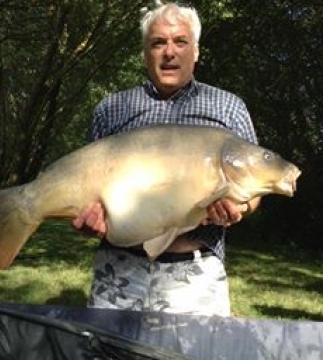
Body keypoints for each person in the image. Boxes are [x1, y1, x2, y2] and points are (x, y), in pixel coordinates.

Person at [73, 1, 260, 316]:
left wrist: (238, 208)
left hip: (197, 273)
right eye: (158, 42)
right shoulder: (111, 109)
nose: (169, 51)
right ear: (145, 53)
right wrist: (88, 219)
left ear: (196, 51)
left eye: (180, 42)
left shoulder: (229, 107)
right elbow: (88, 192)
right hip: (118, 267)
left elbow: (253, 190)